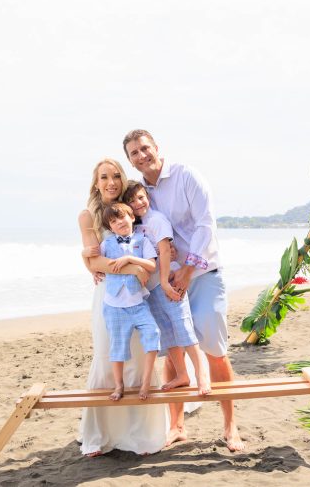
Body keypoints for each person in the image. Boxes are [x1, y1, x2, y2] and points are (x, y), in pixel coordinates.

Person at [122, 130, 245, 452]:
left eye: (145, 148)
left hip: (203, 273)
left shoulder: (186, 176)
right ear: (130, 161)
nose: (142, 155)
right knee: (173, 347)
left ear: (156, 147)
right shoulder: (136, 193)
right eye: (134, 153)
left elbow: (206, 224)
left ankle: (230, 426)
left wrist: (188, 269)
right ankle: (176, 426)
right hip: (167, 280)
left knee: (214, 347)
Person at [77, 159, 168, 457]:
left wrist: (139, 266)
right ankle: (100, 435)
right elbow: (96, 261)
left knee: (139, 358)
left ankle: (142, 435)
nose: (111, 182)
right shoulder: (88, 216)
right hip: (108, 296)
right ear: (96, 182)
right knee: (108, 355)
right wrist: (132, 268)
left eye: (116, 175)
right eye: (104, 177)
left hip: (137, 296)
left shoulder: (131, 210)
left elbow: (150, 248)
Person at [123, 181, 212, 396]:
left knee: (184, 327)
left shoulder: (157, 220)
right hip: (151, 287)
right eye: (132, 201)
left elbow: (164, 251)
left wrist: (164, 282)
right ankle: (182, 375)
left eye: (141, 197)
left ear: (148, 197)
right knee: (168, 333)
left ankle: (202, 376)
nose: (138, 203)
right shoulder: (137, 227)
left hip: (169, 283)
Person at [98, 202, 160, 401]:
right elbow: (96, 264)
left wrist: (130, 259)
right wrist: (90, 266)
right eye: (113, 221)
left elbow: (151, 265)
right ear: (110, 227)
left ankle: (146, 382)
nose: (119, 223)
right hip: (114, 304)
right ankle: (119, 385)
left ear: (132, 217)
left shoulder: (143, 241)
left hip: (138, 303)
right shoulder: (106, 244)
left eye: (122, 217)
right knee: (117, 346)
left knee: (153, 334)